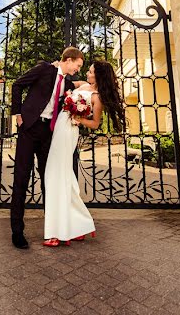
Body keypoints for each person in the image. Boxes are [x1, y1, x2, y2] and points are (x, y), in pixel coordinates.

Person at [43, 60, 125, 247]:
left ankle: (58, 232)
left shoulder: (98, 97)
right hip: (59, 127)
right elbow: (61, 79)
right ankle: (78, 225)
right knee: (61, 175)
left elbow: (95, 123)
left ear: (99, 76)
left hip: (69, 130)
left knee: (56, 174)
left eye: (90, 71)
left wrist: (78, 118)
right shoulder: (82, 85)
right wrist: (54, 66)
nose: (87, 73)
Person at [9, 47, 83, 249]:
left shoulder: (67, 83)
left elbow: (77, 87)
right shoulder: (43, 69)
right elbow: (17, 85)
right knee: (21, 178)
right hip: (29, 128)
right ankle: (17, 232)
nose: (78, 69)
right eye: (77, 65)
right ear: (68, 59)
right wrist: (18, 114)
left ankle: (54, 229)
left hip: (48, 134)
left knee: (49, 181)